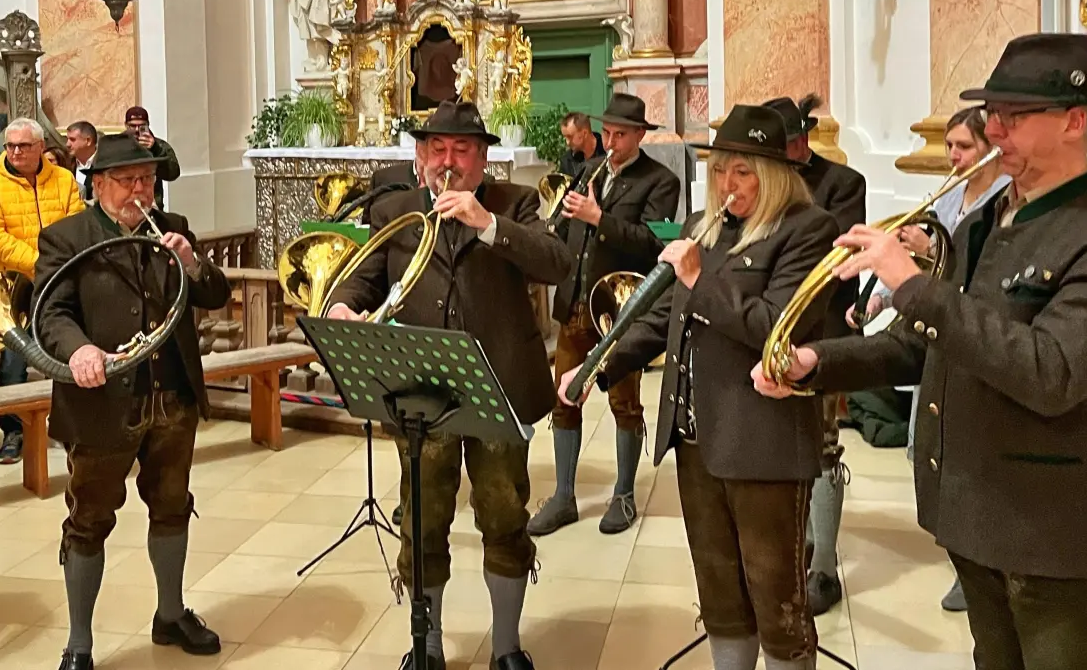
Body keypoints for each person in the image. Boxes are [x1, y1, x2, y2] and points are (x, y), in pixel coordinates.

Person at [755, 33, 1087, 670]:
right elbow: (920, 347)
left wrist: (914, 284)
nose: (994, 129)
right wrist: (820, 364)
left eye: (1013, 116)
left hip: (1054, 530)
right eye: (992, 114)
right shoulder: (984, 222)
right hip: (972, 511)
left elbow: (1051, 371)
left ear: (1075, 122)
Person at [561, 103, 836, 670]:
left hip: (763, 443)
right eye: (719, 171)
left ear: (776, 174)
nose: (728, 185)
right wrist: (598, 365)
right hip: (695, 440)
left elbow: (775, 327)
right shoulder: (704, 229)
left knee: (776, 602)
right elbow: (665, 320)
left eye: (744, 172)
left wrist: (698, 277)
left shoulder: (809, 231)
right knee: (720, 596)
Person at [327, 101, 572, 670]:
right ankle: (429, 644)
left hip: (500, 390)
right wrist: (343, 306)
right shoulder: (395, 210)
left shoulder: (516, 203)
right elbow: (360, 280)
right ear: (418, 156)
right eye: (436, 149)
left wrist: (487, 226)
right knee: (422, 518)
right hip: (420, 394)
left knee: (504, 515)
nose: (448, 161)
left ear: (484, 159)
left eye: (461, 150)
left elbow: (557, 264)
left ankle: (507, 646)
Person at [34, 133, 233, 670]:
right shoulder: (65, 238)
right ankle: (79, 642)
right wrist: (77, 350)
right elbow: (50, 315)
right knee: (90, 518)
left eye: (146, 180)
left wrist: (192, 264)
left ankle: (171, 613)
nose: (139, 191)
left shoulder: (173, 230)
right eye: (127, 181)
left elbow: (214, 294)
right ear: (98, 185)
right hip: (102, 404)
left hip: (171, 398)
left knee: (172, 506)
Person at [854, 106, 1008, 614]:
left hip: (971, 337)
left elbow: (961, 275)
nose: (953, 156)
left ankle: (976, 565)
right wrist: (877, 298)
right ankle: (964, 557)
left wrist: (922, 251)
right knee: (927, 449)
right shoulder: (951, 194)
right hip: (934, 336)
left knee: (965, 459)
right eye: (949, 147)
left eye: (962, 147)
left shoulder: (998, 200)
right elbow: (925, 270)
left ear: (989, 146)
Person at [530, 93, 680, 536]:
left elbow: (655, 247)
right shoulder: (586, 171)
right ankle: (562, 497)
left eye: (619, 135)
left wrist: (599, 217)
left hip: (619, 312)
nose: (610, 142)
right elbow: (565, 232)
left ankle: (624, 494)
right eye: (607, 133)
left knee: (623, 404)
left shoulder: (661, 181)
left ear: (638, 135)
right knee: (564, 399)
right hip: (575, 303)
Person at [761, 93, 867, 615]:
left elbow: (833, 255)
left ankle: (824, 566)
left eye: (794, 141)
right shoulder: (764, 183)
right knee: (781, 441)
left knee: (824, 446)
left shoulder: (843, 184)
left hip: (822, 333)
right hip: (770, 328)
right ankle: (795, 545)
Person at [0, 118, 85, 463]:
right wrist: (39, 263)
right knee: (14, 364)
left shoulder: (64, 180)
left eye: (24, 145)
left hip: (60, 281)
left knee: (68, 352)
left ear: (40, 147)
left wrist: (55, 266)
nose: (16, 151)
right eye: (10, 146)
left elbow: (77, 223)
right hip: (15, 287)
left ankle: (71, 426)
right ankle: (12, 432)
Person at [124, 107, 181, 209]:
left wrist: (155, 150)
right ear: (126, 125)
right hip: (123, 203)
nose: (137, 130)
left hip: (151, 204)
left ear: (148, 125)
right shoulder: (117, 145)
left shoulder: (159, 145)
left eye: (141, 126)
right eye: (132, 126)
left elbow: (173, 173)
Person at [557, 111, 604, 179]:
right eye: (565, 137)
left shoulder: (607, 153)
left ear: (584, 133)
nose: (567, 142)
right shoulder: (567, 161)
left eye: (570, 136)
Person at [66, 121, 98, 202]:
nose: (67, 144)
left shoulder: (105, 164)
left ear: (88, 141)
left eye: (72, 140)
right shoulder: (65, 165)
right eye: (67, 139)